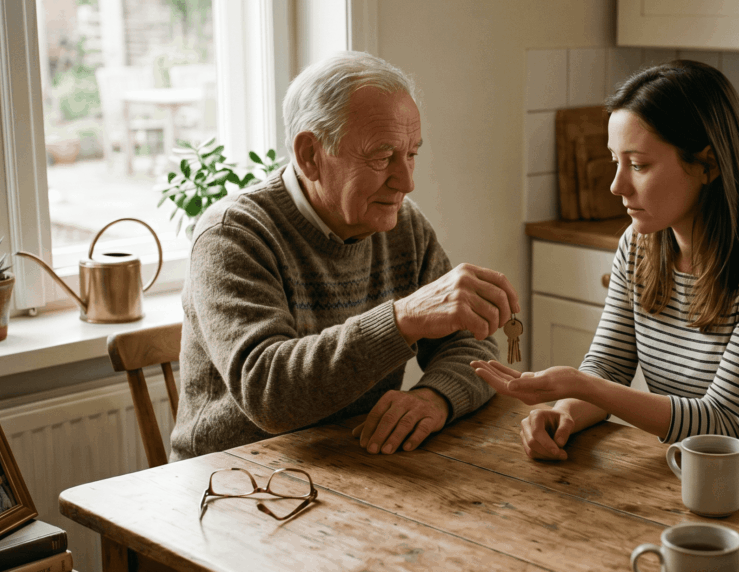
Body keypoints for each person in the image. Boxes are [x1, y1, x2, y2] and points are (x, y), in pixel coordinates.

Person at [474, 60, 739, 474]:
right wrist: (566, 412)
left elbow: (722, 423)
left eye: (639, 165)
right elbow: (608, 366)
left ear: (707, 165)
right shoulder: (640, 244)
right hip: (684, 478)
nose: (617, 185)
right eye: (615, 161)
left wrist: (578, 384)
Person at [172, 51, 519, 461]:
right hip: (233, 480)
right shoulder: (233, 234)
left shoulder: (404, 226)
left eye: (411, 154)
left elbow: (472, 347)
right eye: (382, 156)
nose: (406, 181)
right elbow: (269, 394)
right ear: (310, 155)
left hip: (353, 461)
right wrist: (403, 319)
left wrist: (435, 397)